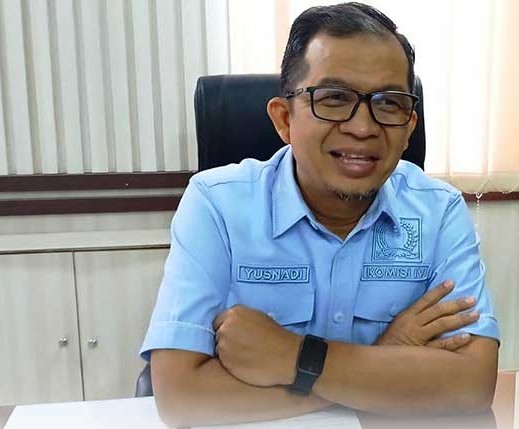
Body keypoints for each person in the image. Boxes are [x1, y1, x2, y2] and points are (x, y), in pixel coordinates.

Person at [140, 3, 500, 427]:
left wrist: (293, 356)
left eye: (388, 103)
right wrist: (383, 359)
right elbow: (181, 397)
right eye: (334, 99)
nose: (363, 128)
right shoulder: (216, 204)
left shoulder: (439, 212)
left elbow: (471, 384)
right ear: (284, 119)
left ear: (409, 128)